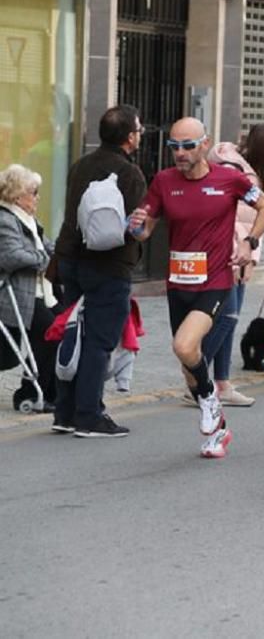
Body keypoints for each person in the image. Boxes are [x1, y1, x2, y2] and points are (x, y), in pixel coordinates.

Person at [129, 117, 264, 458]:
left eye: (188, 145)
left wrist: (249, 242)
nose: (180, 153)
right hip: (179, 283)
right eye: (174, 146)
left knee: (183, 345)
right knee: (188, 363)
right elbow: (144, 231)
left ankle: (209, 401)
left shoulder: (230, 180)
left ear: (205, 144)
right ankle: (218, 427)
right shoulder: (164, 182)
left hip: (215, 281)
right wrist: (135, 226)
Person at [53, 105, 146, 437]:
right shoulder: (129, 173)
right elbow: (136, 225)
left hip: (71, 262)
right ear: (129, 137)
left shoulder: (80, 166)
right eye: (138, 130)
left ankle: (64, 412)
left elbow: (69, 218)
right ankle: (89, 415)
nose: (140, 135)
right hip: (108, 267)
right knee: (99, 341)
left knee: (72, 334)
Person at [185, 123, 264, 407]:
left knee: (230, 318)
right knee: (227, 316)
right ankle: (195, 379)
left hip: (228, 253)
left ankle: (222, 382)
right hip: (228, 255)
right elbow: (234, 224)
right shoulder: (237, 172)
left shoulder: (240, 167)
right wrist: (246, 258)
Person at [0, 164, 59, 412]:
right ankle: (31, 392)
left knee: (59, 332)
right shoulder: (5, 219)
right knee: (49, 334)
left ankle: (45, 392)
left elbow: (47, 246)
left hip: (38, 292)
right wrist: (45, 260)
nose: (37, 197)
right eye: (33, 192)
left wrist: (59, 256)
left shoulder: (28, 219)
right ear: (17, 194)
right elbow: (12, 256)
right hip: (16, 294)